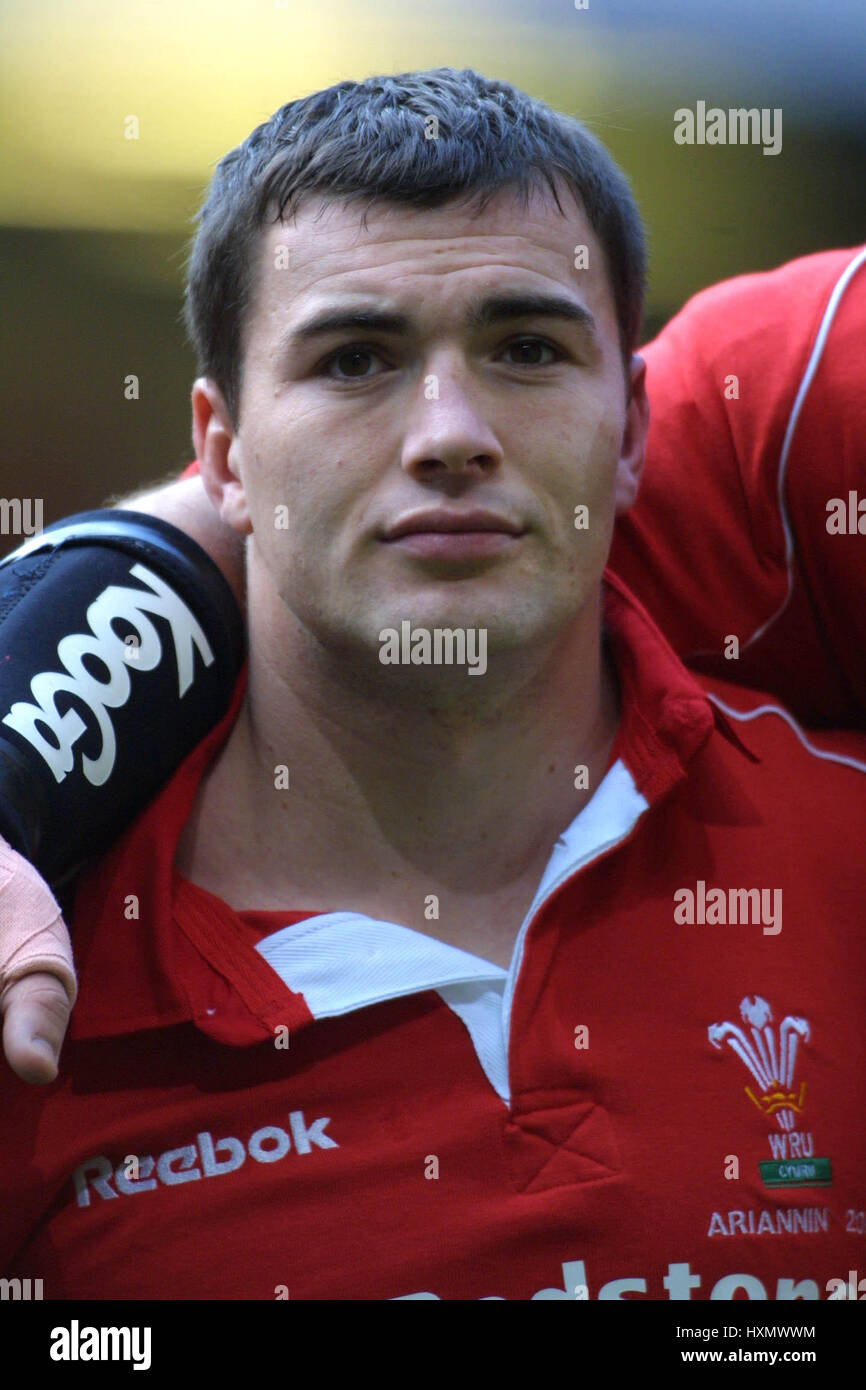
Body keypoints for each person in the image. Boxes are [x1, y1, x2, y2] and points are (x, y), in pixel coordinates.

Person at [1, 67, 864, 1300]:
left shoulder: (839, 861)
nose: (448, 430)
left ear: (630, 431)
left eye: (525, 348)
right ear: (223, 455)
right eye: (355, 359)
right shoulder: (43, 986)